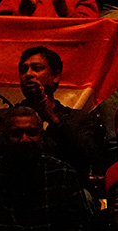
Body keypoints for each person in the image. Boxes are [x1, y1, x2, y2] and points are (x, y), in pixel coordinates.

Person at [0, 105, 89, 231]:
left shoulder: (63, 172)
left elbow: (79, 226)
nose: (25, 139)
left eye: (31, 132)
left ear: (42, 137)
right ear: (5, 138)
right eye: (16, 134)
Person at [7, 45, 101, 176]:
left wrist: (53, 119)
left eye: (37, 68)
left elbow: (87, 156)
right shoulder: (4, 117)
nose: (28, 74)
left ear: (56, 76)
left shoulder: (79, 119)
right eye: (23, 70)